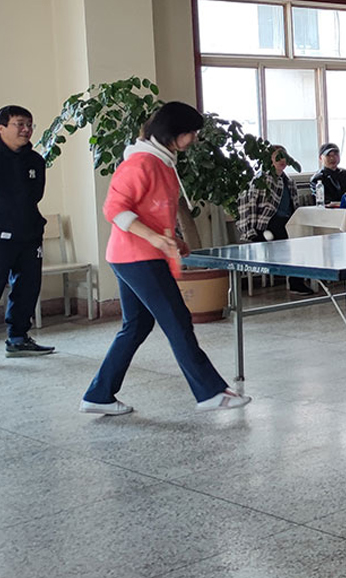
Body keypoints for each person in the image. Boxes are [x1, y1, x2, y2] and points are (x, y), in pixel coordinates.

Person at [81, 102, 249, 414]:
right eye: (191, 132)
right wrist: (156, 238)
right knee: (177, 319)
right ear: (173, 132)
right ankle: (210, 392)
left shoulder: (162, 162)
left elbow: (154, 209)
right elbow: (114, 209)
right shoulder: (141, 163)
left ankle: (99, 395)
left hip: (136, 255)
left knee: (136, 325)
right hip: (137, 256)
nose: (194, 138)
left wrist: (173, 238)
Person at [0, 105, 55, 366]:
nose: (26, 130)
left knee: (28, 288)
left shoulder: (35, 160)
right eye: (19, 124)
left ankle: (18, 338)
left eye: (30, 125)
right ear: (0, 127)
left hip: (29, 235)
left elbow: (35, 196)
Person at [236, 145, 311, 294]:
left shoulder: (289, 181)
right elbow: (248, 205)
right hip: (266, 224)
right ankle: (296, 282)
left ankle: (302, 278)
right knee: (290, 239)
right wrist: (250, 231)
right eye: (278, 157)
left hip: (287, 221)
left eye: (284, 157)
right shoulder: (260, 180)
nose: (282, 160)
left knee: (303, 234)